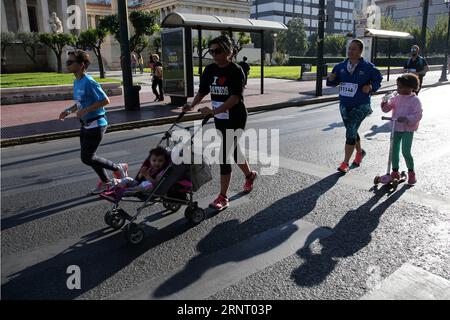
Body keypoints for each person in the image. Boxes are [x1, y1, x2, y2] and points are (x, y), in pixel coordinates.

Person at [182, 35, 257, 210]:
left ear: (229, 52)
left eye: (218, 50)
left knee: (225, 153)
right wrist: (191, 105)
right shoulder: (209, 70)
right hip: (220, 117)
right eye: (211, 51)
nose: (214, 54)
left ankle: (223, 197)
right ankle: (249, 175)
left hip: (236, 116)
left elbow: (235, 98)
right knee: (233, 148)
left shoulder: (236, 71)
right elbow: (202, 91)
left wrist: (212, 111)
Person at [58, 49, 128, 194]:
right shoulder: (77, 81)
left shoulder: (89, 82)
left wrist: (87, 110)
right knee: (91, 157)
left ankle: (117, 168)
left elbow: (105, 100)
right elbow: (80, 103)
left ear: (82, 64)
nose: (68, 64)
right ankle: (106, 182)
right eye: (67, 62)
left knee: (87, 157)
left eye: (70, 62)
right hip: (85, 124)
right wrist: (69, 111)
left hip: (97, 124)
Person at [326, 38, 383, 173]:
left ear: (360, 51)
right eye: (349, 49)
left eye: (354, 49)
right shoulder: (340, 66)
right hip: (345, 104)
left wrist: (370, 86)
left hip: (361, 105)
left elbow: (378, 80)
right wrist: (331, 79)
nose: (350, 51)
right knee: (351, 130)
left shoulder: (368, 67)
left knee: (350, 130)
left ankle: (345, 163)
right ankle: (359, 153)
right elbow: (332, 83)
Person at [381, 74, 422, 185]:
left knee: (406, 152)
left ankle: (411, 173)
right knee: (393, 150)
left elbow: (418, 115)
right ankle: (394, 172)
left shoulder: (415, 100)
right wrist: (384, 102)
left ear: (409, 87)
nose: (397, 89)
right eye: (397, 86)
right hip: (396, 128)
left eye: (400, 87)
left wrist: (407, 118)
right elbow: (386, 109)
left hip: (408, 130)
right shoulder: (396, 98)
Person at [100, 146, 170, 201]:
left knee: (147, 184)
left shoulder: (161, 172)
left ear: (164, 162)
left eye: (160, 161)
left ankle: (126, 191)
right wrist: (141, 174)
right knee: (128, 179)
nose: (157, 163)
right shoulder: (149, 168)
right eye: (154, 160)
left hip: (150, 189)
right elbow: (139, 178)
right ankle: (114, 184)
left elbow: (155, 184)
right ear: (150, 160)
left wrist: (147, 175)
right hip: (138, 185)